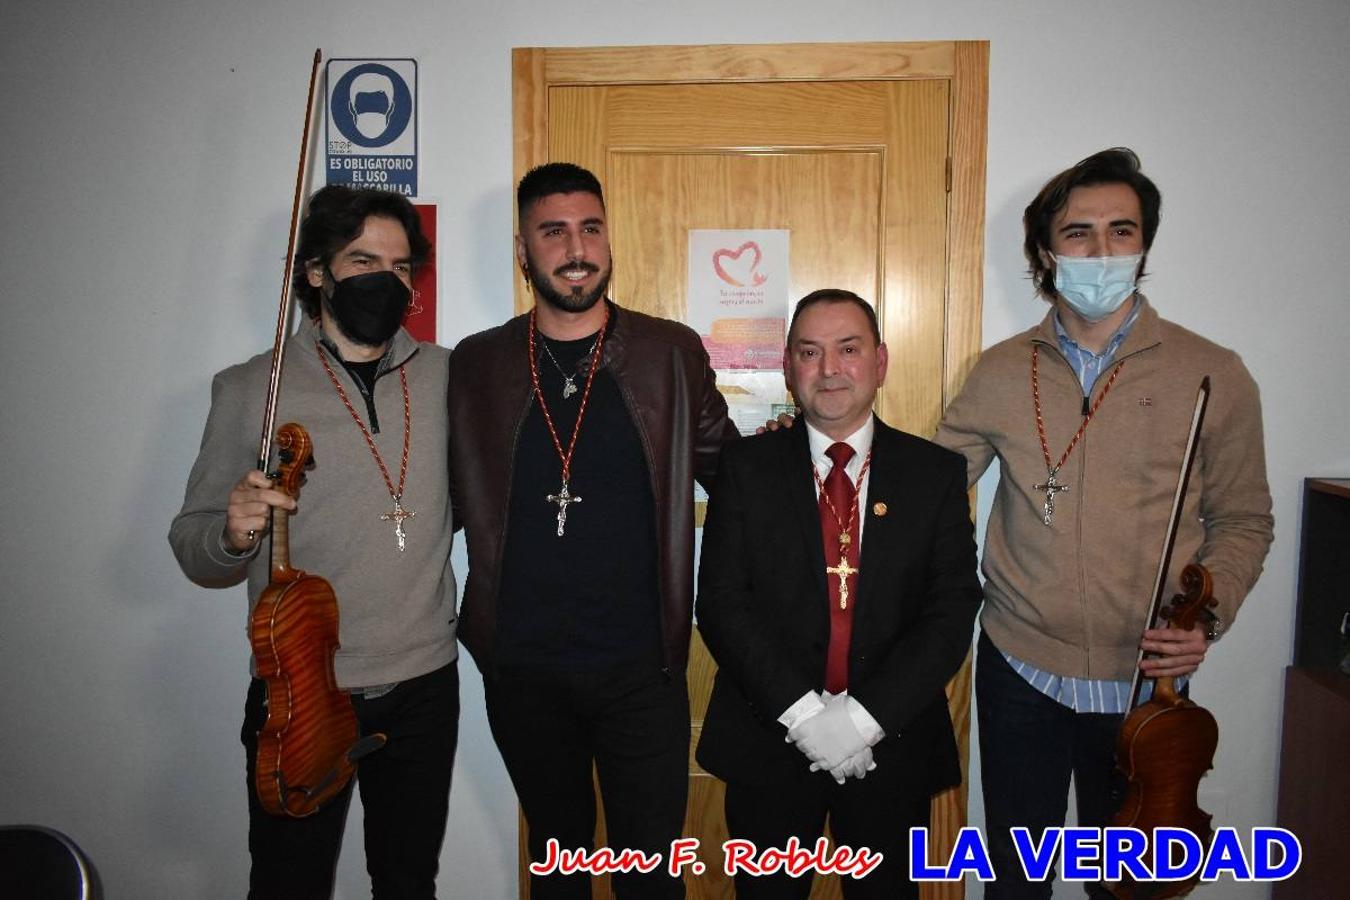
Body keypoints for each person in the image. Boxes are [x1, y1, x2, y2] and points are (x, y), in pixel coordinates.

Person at [934, 148, 1274, 898]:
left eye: (1121, 231)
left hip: (1143, 689)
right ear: (1046, 250)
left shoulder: (1211, 372)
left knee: (1125, 888)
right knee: (1016, 880)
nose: (1100, 251)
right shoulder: (997, 369)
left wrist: (1206, 616)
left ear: (1144, 243)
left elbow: (1245, 518)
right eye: (1078, 233)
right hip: (1019, 668)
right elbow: (926, 493)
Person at [446, 162, 738, 899]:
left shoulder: (670, 353)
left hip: (642, 671)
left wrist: (838, 454)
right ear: (523, 250)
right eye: (553, 231)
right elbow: (430, 489)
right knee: (559, 874)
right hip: (522, 672)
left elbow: (736, 478)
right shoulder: (477, 364)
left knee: (650, 882)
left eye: (590, 228)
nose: (576, 248)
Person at [169, 185, 458, 900]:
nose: (382, 281)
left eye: (398, 268)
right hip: (302, 689)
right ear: (315, 272)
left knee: (408, 882)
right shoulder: (250, 389)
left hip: (425, 683)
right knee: (289, 884)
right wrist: (233, 533)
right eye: (362, 261)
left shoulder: (451, 376)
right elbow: (193, 541)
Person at [695, 289, 983, 899]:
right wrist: (805, 717)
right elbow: (721, 603)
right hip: (770, 742)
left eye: (848, 350)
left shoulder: (934, 474)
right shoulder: (745, 470)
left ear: (879, 362)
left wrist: (862, 720)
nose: (829, 369)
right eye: (810, 352)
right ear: (787, 367)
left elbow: (952, 610)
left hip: (892, 746)